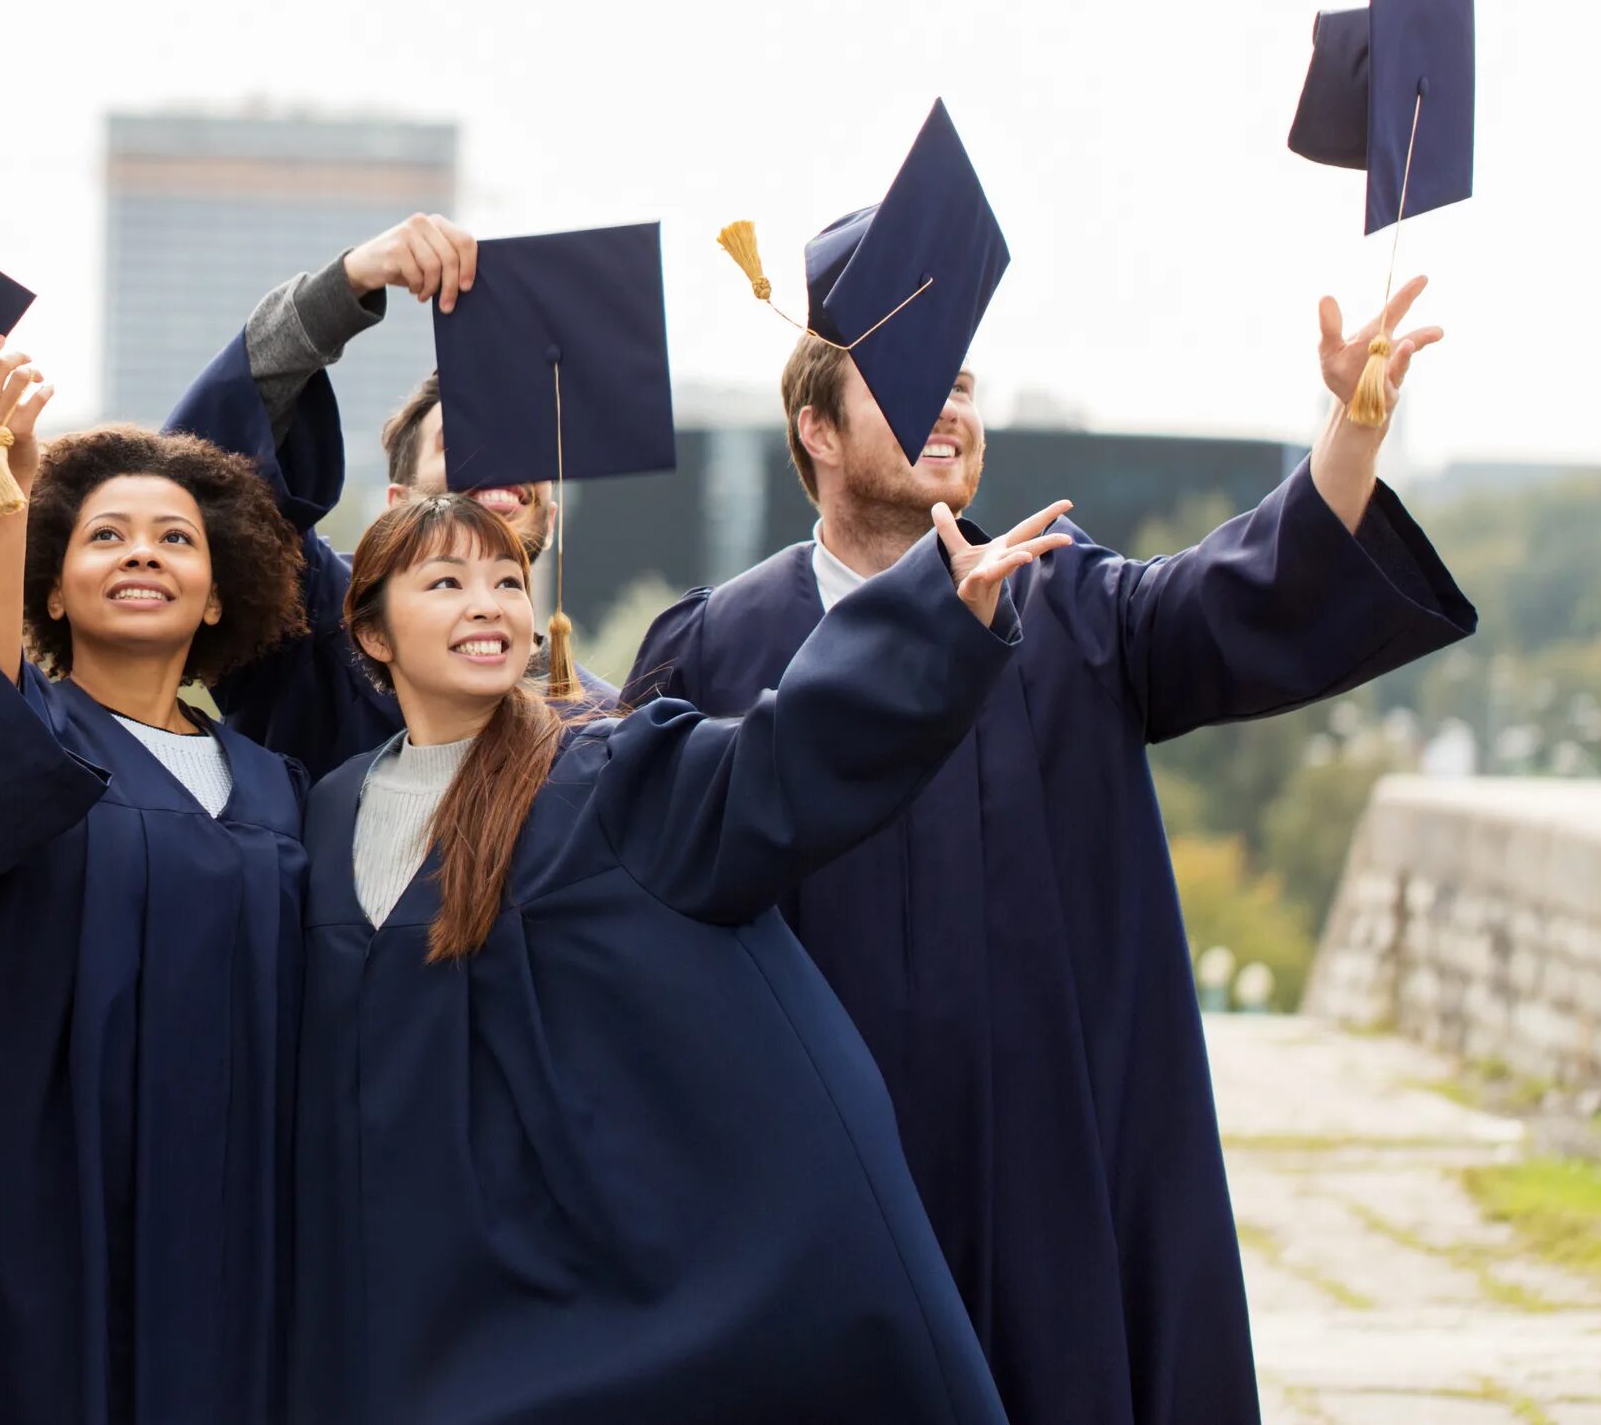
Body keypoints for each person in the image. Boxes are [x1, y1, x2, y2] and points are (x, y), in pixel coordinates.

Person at [621, 280, 1478, 1425]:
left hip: (1047, 1175)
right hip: (807, 1184)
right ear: (815, 430)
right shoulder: (713, 649)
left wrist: (1354, 423)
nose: (950, 403)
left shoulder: (1072, 605)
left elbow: (1244, 589)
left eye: (965, 383)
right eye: (910, 377)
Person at [296, 484, 1067, 1423]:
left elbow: (784, 756)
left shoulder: (602, 773)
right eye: (446, 583)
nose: (488, 605)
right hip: (415, 1292)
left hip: (580, 1293)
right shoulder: (328, 809)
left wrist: (934, 616)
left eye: (507, 581)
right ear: (371, 632)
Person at [0, 348, 309, 1422]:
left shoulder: (280, 788)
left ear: (219, 595)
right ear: (54, 587)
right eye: (104, 536)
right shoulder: (28, 736)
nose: (141, 553)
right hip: (34, 1203)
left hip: (227, 1215)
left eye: (177, 539)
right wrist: (5, 488)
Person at [164, 213, 606, 780]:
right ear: (397, 505)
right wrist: (347, 283)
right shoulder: (316, 622)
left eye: (523, 444)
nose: (499, 460)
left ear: (552, 514)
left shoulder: (603, 724)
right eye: (460, 442)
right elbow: (197, 487)